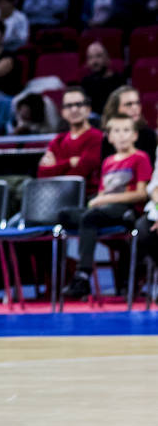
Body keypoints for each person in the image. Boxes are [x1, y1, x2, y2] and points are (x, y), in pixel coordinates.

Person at [61, 109, 151, 300]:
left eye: (126, 130)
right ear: (109, 137)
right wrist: (98, 201)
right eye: (116, 131)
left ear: (134, 135)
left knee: (90, 217)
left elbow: (141, 194)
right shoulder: (108, 162)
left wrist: (102, 200)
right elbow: (103, 192)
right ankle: (119, 248)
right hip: (103, 210)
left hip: (127, 210)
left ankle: (83, 275)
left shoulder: (140, 158)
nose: (121, 135)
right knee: (65, 215)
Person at [37, 87, 103, 196]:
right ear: (62, 112)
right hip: (55, 196)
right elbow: (42, 174)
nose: (74, 109)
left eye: (79, 104)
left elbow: (81, 172)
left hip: (85, 197)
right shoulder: (57, 141)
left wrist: (56, 167)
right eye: (69, 106)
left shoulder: (96, 137)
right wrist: (70, 162)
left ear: (88, 109)